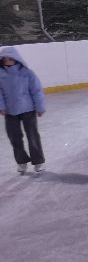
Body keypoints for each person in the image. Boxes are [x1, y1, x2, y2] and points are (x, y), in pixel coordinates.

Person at [0, 45, 46, 175]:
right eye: (4, 59)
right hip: (10, 111)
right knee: (14, 137)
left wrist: (40, 107)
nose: (7, 61)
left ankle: (38, 162)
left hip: (28, 109)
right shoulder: (0, 73)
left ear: (16, 58)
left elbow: (36, 90)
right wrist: (1, 106)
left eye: (10, 58)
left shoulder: (27, 73)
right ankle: (21, 161)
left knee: (32, 136)